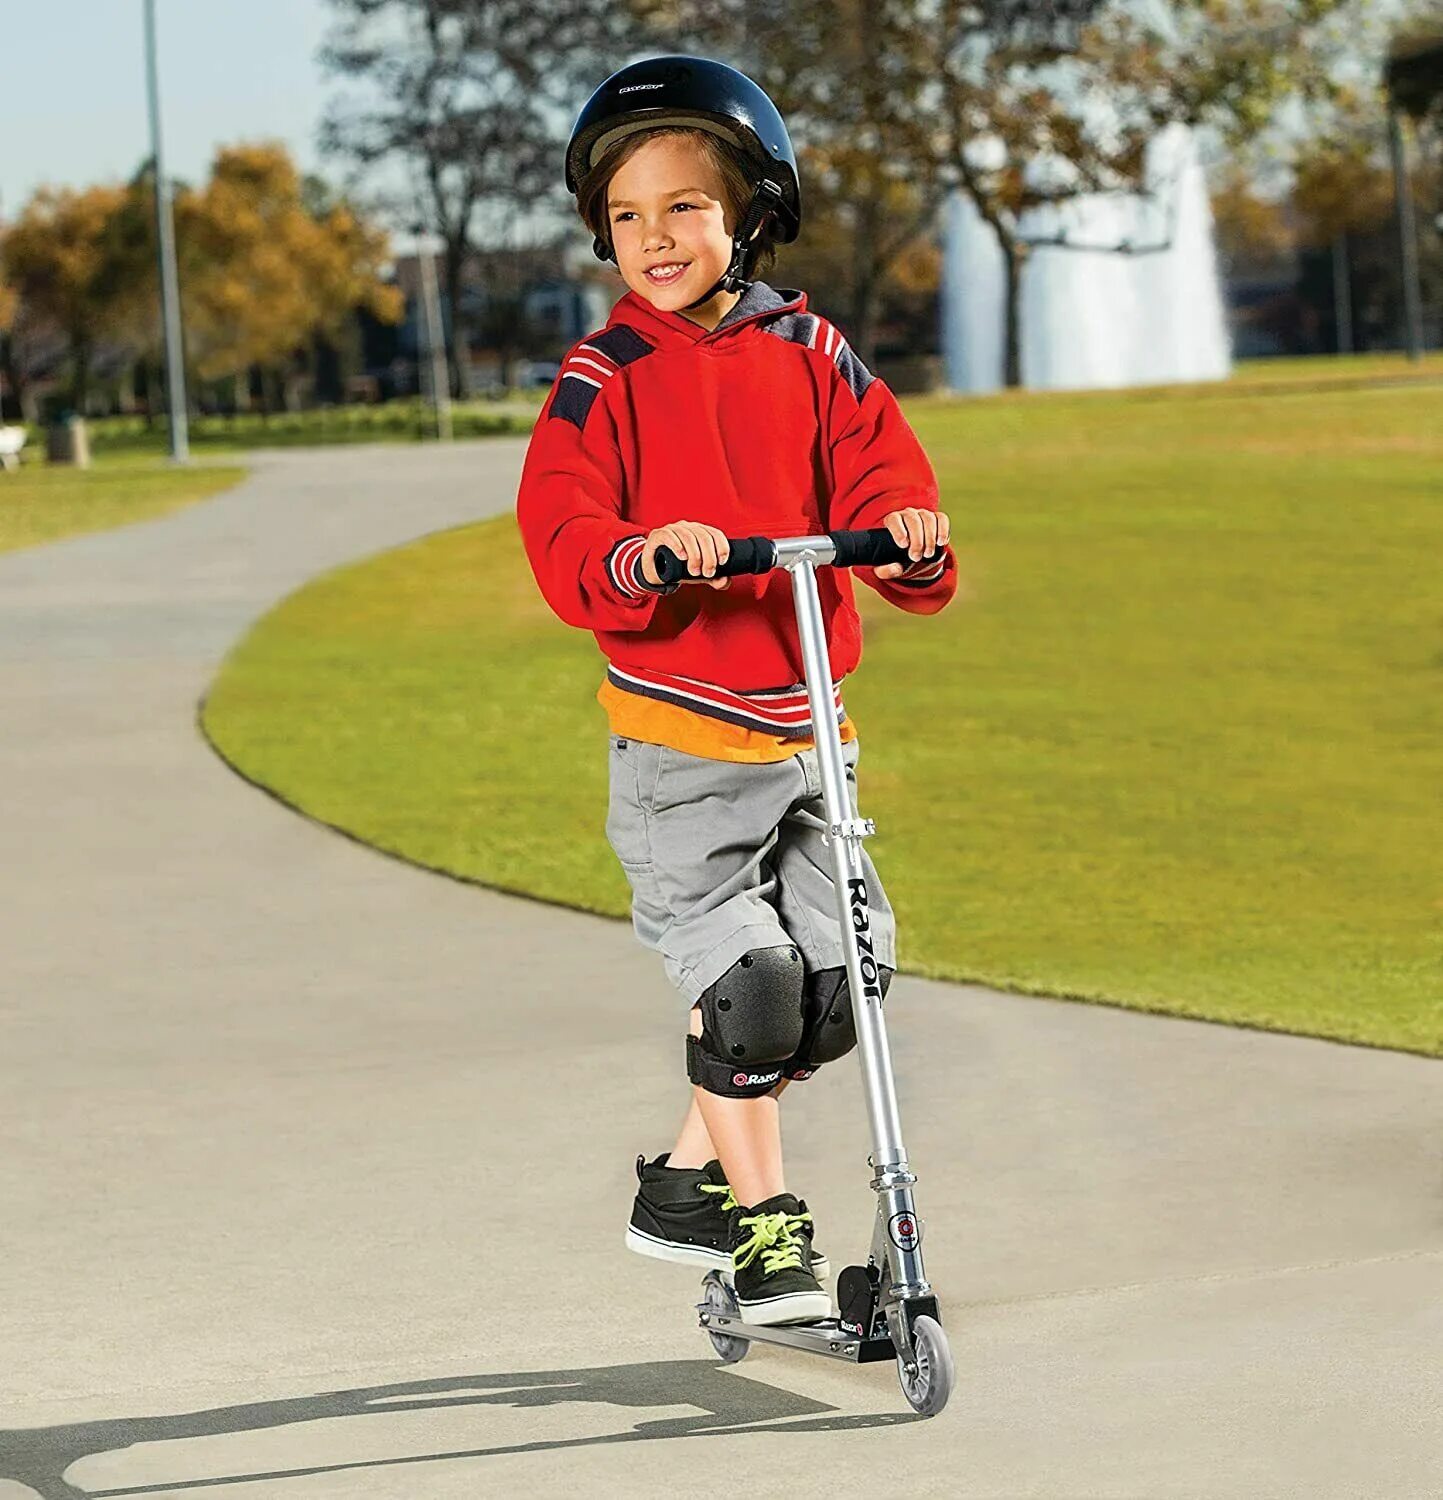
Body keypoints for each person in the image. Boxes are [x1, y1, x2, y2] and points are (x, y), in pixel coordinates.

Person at [515, 55, 957, 1326]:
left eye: (685, 208)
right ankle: (764, 1236)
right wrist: (640, 556)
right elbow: (564, 533)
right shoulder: (602, 381)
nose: (653, 238)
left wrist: (908, 535)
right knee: (749, 997)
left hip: (810, 731)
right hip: (679, 749)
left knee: (831, 995)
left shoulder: (815, 352)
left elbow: (881, 478)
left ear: (752, 211)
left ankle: (683, 1182)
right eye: (628, 217)